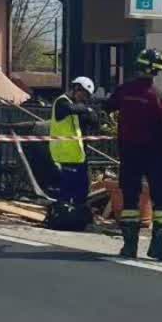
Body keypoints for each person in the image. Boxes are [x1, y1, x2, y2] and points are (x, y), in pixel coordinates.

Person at [106, 49, 162, 261]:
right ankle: (158, 248)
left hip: (129, 154)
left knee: (130, 201)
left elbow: (107, 107)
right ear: (156, 71)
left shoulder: (124, 91)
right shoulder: (159, 98)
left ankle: (129, 247)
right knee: (161, 203)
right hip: (156, 156)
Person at [47, 76, 101, 228]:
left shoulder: (76, 106)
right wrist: (87, 109)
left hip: (77, 155)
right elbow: (71, 109)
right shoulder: (62, 102)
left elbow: (92, 121)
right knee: (67, 189)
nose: (84, 99)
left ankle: (77, 219)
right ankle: (62, 218)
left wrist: (92, 116)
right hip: (64, 154)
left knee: (82, 189)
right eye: (83, 94)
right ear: (76, 88)